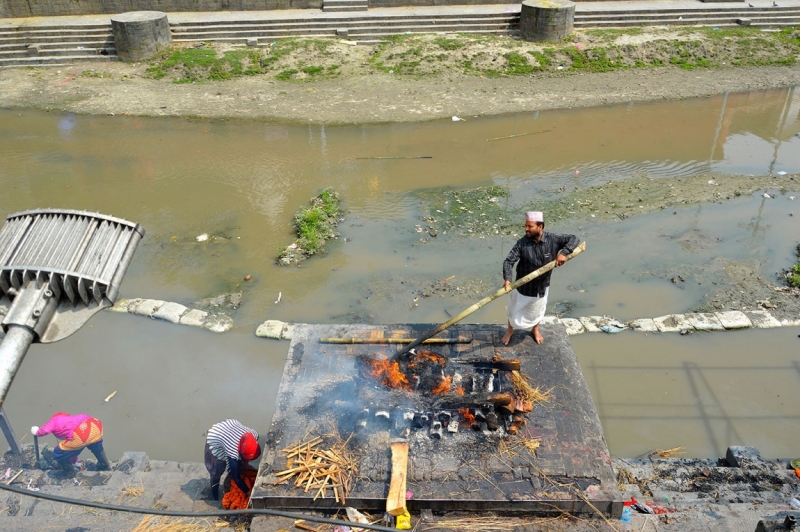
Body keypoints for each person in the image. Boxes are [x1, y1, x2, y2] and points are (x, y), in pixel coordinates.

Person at [501, 211, 579, 346]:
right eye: (525, 226)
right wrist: (508, 279)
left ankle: (535, 330)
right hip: (522, 287)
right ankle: (510, 330)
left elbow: (574, 238)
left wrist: (564, 252)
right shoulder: (522, 244)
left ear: (540, 227)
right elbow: (508, 261)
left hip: (542, 286)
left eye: (530, 226)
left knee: (538, 310)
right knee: (513, 310)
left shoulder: (553, 239)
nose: (526, 229)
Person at [31, 412, 111, 477]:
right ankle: (105, 465)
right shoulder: (71, 419)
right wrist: (74, 461)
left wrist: (37, 432)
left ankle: (69, 473)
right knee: (95, 445)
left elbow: (46, 430)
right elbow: (71, 449)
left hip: (81, 433)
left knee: (59, 452)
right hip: (94, 424)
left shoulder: (54, 420)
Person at [205, 419, 261, 501]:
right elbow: (236, 478)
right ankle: (214, 495)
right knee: (216, 470)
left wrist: (243, 463)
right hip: (216, 435)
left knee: (239, 465)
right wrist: (248, 492)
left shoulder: (255, 435)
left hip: (230, 428)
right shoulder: (233, 453)